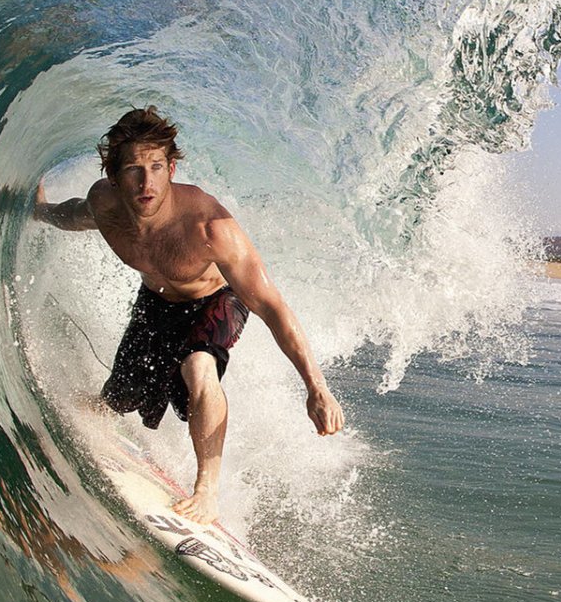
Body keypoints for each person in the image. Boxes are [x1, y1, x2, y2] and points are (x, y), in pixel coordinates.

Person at [32, 106, 343, 522]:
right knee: (118, 398)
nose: (147, 182)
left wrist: (315, 386)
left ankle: (207, 491)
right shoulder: (105, 205)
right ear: (112, 175)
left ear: (172, 167)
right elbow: (74, 215)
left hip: (217, 301)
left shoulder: (209, 228)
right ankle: (94, 415)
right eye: (134, 170)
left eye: (157, 167)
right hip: (156, 304)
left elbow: (272, 306)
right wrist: (41, 210)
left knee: (199, 366)